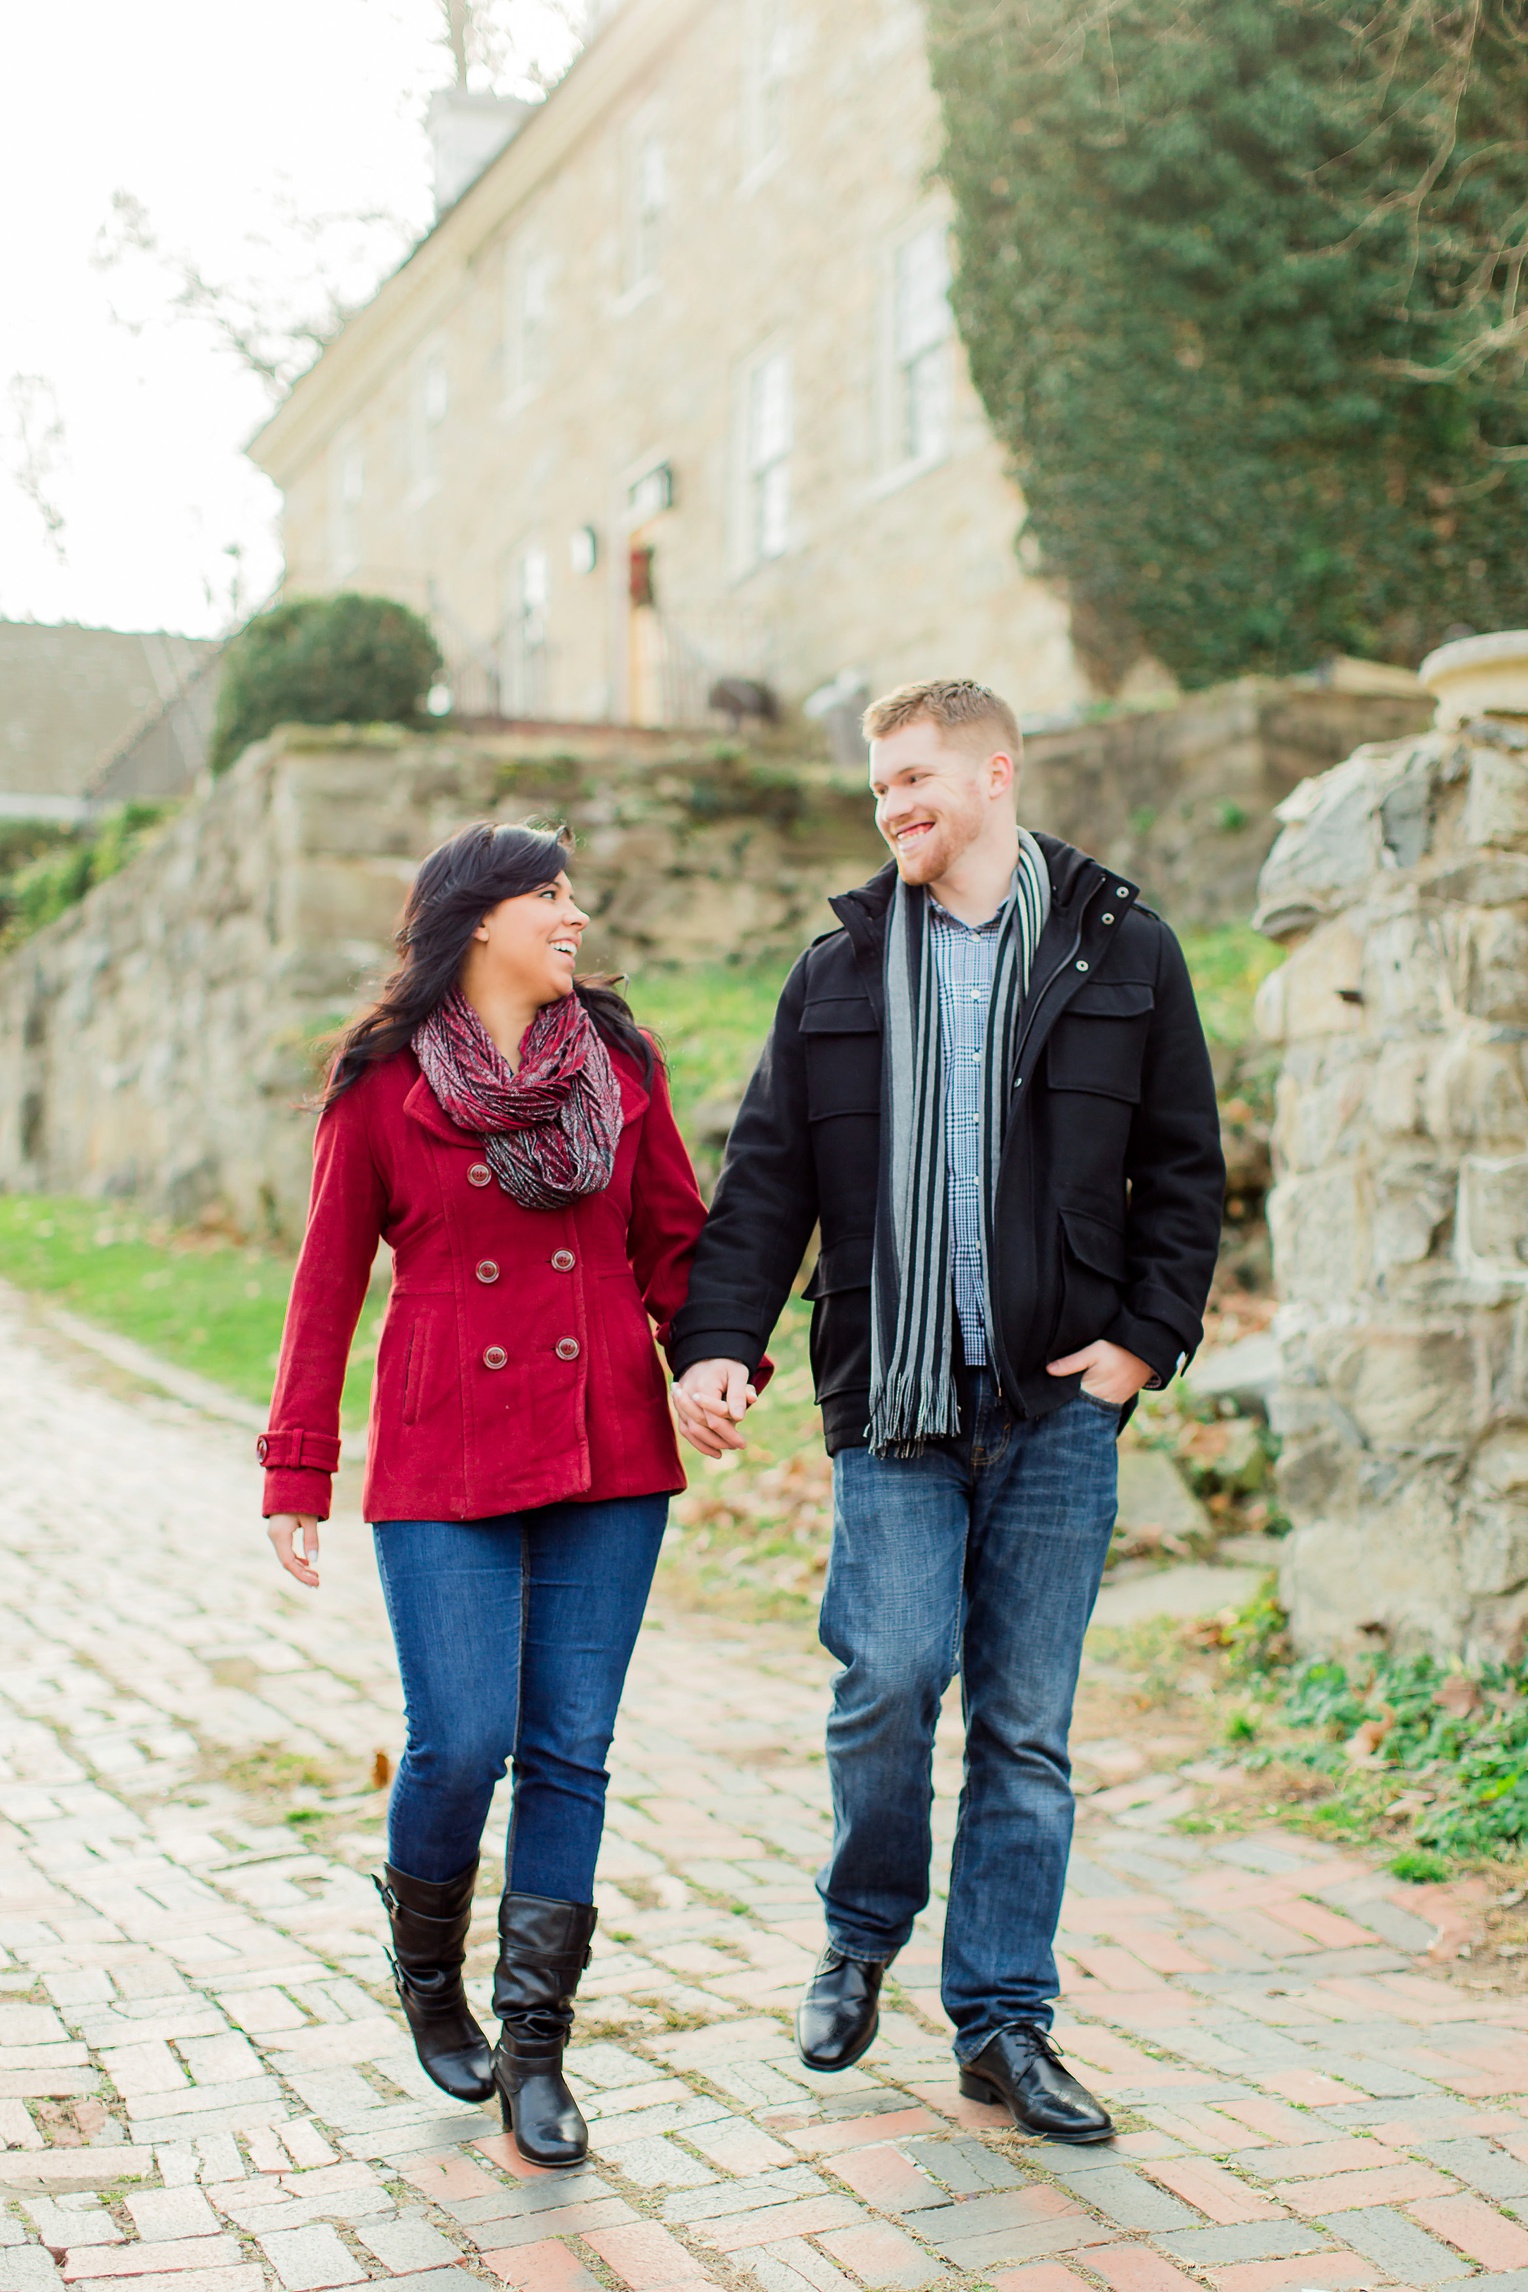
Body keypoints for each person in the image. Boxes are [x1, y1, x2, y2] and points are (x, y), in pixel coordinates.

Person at [670, 680, 1223, 2143]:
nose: (893, 807)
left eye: (915, 779)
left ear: (993, 772)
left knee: (1027, 1732)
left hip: (1056, 1410)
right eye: (878, 789)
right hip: (895, 1405)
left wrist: (1139, 1350)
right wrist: (716, 1343)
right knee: (892, 1682)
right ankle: (861, 1932)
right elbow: (766, 1180)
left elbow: (1184, 1172)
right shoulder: (838, 975)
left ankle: (1003, 2024)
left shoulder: (1123, 949)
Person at [260, 821, 707, 2169]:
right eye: (548, 897)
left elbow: (674, 1238)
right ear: (476, 921)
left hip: (606, 1449)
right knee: (459, 1739)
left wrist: (713, 1360)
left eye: (573, 895)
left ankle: (537, 2049)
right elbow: (327, 1283)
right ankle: (428, 1969)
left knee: (570, 1748)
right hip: (445, 1450)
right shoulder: (383, 1086)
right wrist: (297, 1467)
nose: (574, 916)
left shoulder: (619, 1067)